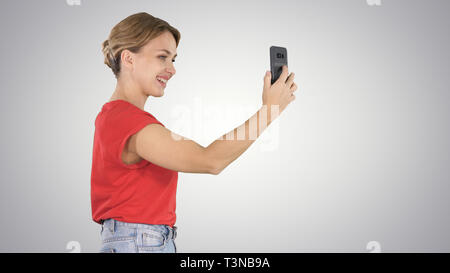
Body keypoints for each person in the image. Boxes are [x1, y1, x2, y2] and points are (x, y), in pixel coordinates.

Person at [90, 12, 298, 253]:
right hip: (139, 242)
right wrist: (269, 111)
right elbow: (210, 160)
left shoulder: (120, 118)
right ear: (128, 58)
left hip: (144, 240)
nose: (171, 69)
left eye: (173, 60)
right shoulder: (124, 120)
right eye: (162, 57)